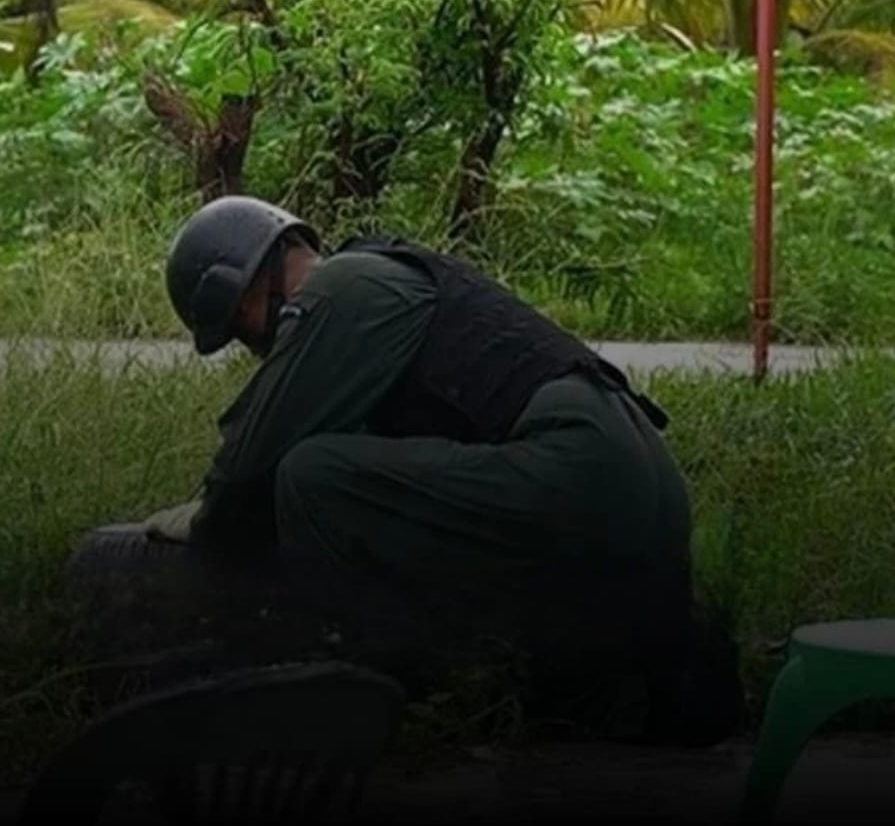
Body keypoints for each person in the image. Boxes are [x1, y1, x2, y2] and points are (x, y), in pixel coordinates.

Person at [139, 195, 741, 746]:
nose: (252, 347)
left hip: (579, 475)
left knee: (313, 476)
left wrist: (202, 519)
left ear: (244, 296)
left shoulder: (344, 290)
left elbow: (252, 465)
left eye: (238, 333)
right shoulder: (391, 272)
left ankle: (365, 696)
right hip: (639, 488)